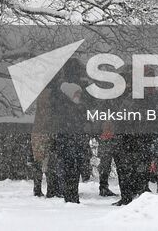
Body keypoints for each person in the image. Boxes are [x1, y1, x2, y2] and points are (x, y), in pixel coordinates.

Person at [45, 57, 89, 204]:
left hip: (63, 131)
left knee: (67, 163)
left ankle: (68, 194)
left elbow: (52, 109)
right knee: (75, 164)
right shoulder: (82, 88)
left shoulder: (58, 89)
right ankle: (72, 194)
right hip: (76, 131)